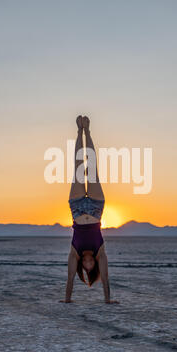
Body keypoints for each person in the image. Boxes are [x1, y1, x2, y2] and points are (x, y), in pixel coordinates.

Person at [60, 115, 119, 304]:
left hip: (76, 208)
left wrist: (67, 300)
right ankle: (88, 131)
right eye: (90, 264)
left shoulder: (74, 252)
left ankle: (79, 131)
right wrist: (108, 300)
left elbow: (70, 278)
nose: (87, 262)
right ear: (95, 264)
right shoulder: (99, 251)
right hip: (96, 207)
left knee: (78, 166)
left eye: (85, 265)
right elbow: (106, 279)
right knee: (92, 167)